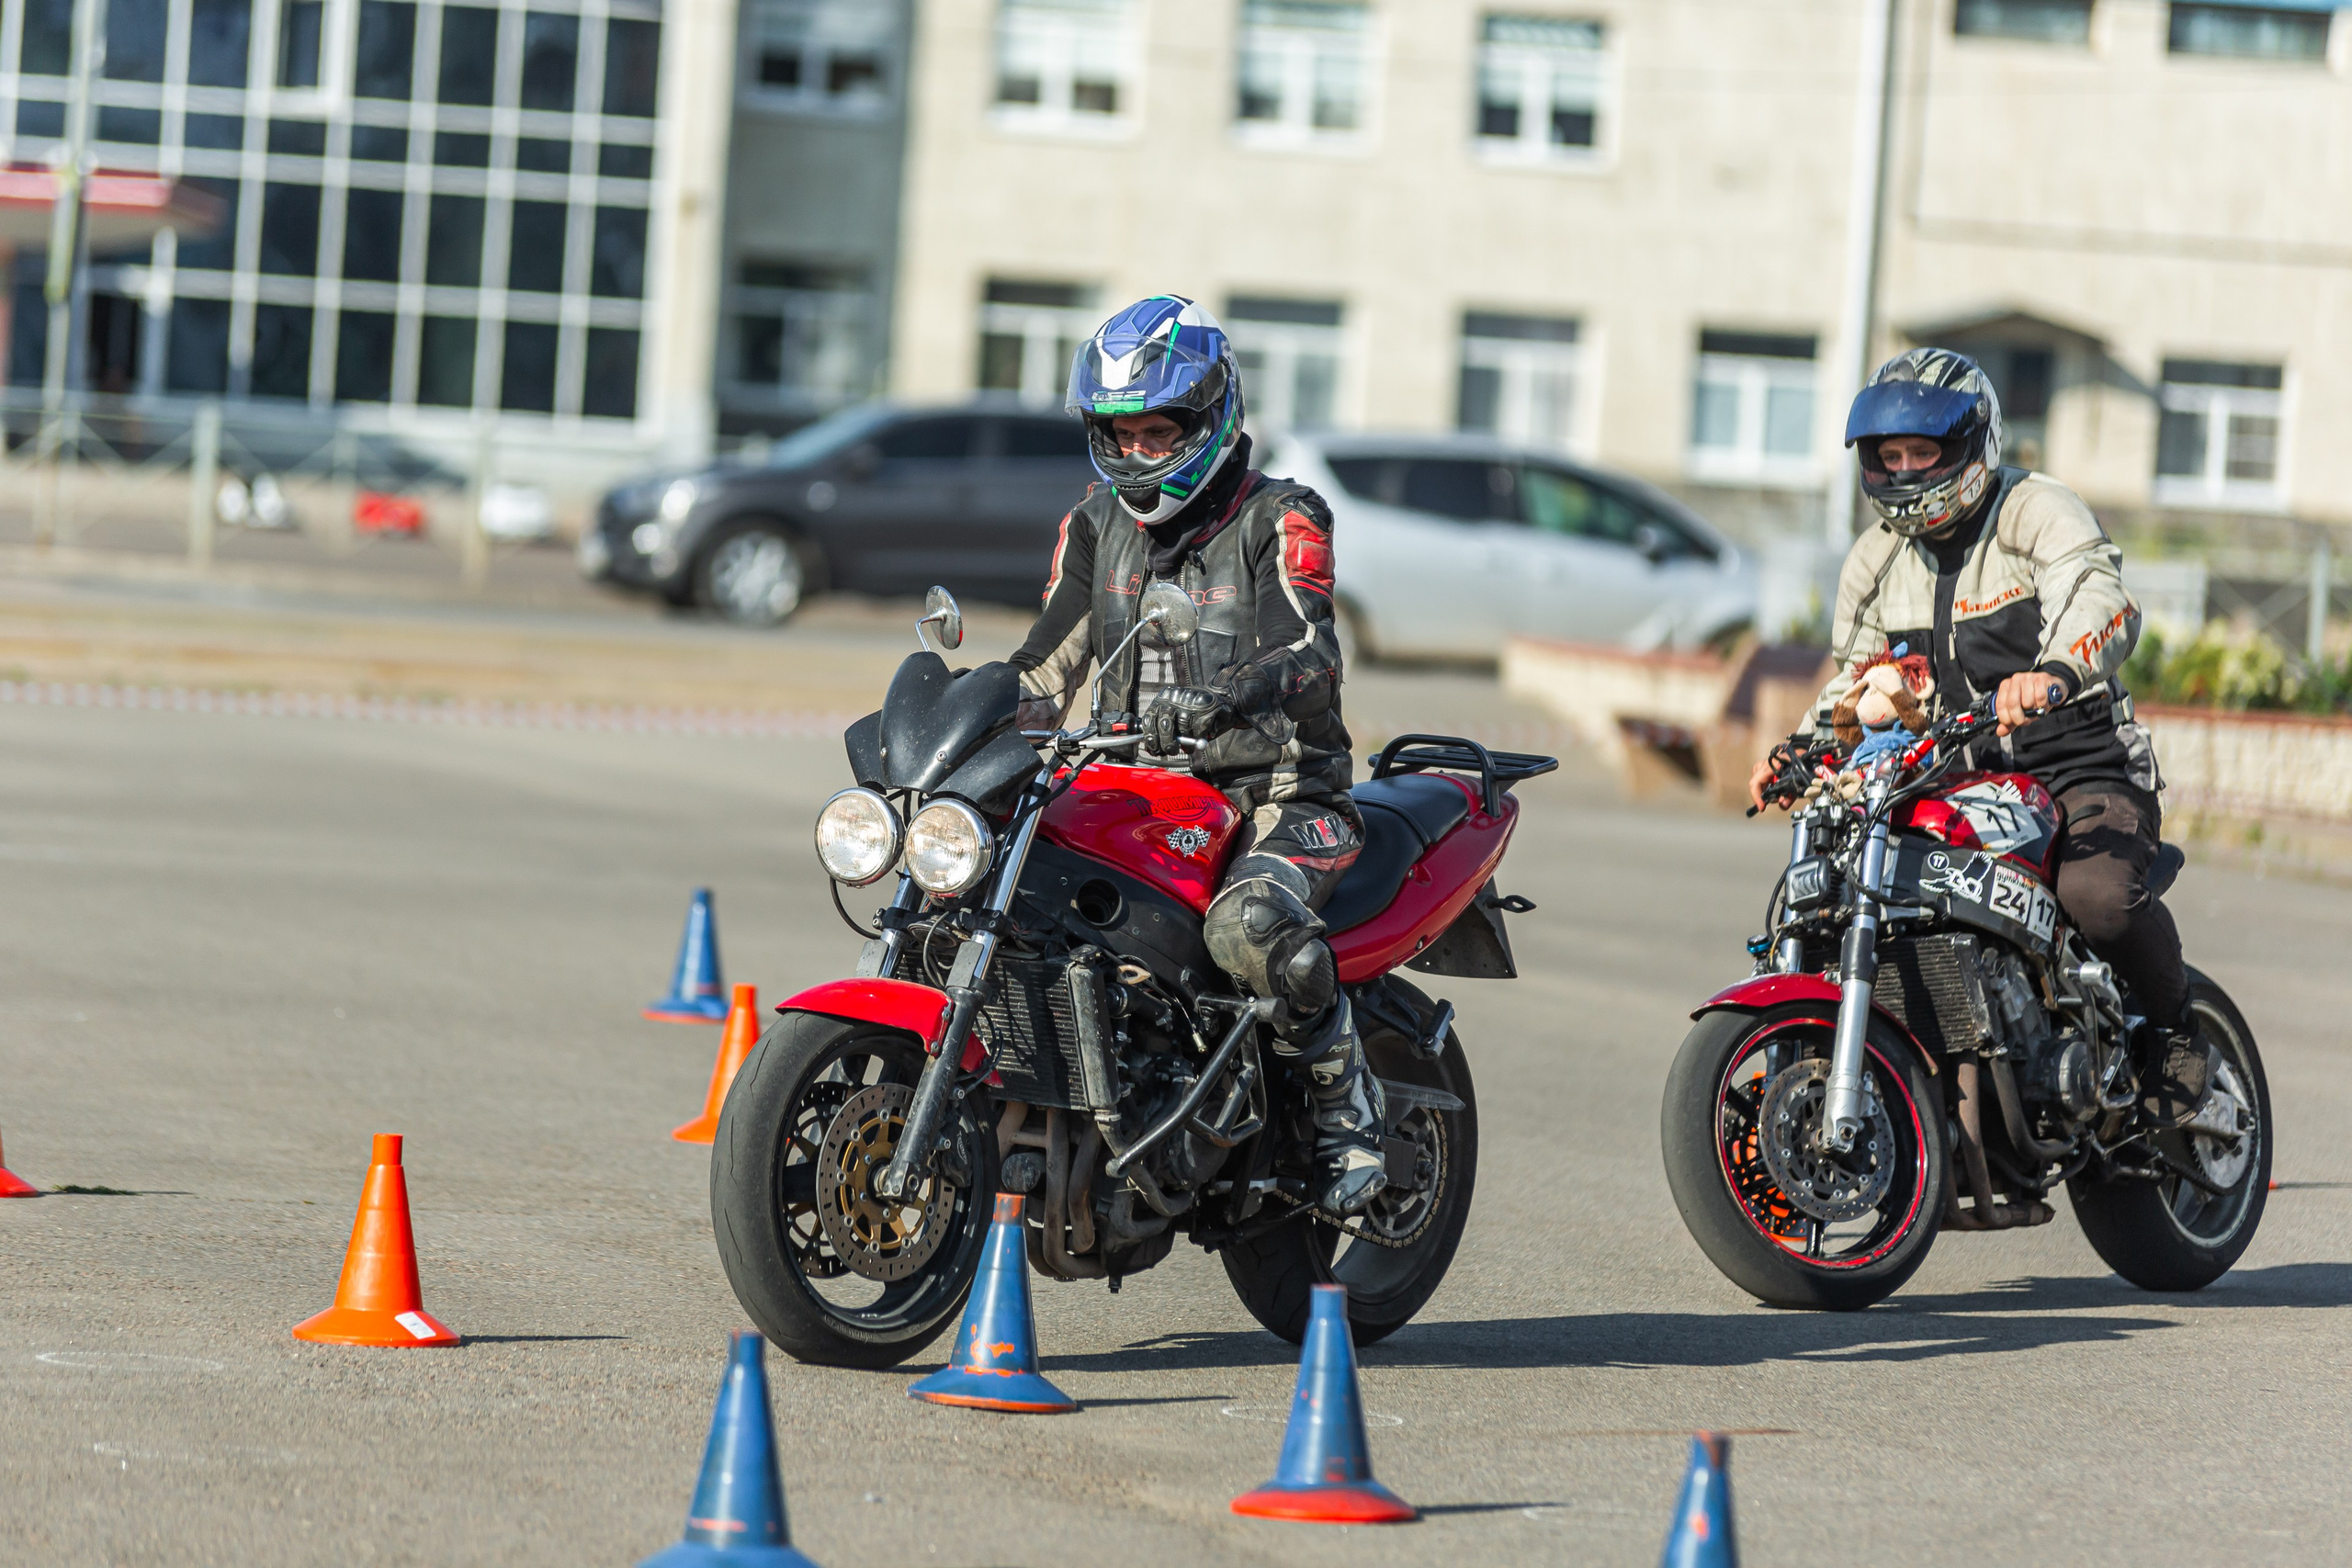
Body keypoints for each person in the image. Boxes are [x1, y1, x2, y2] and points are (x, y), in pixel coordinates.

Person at [1747, 347, 2211, 1125]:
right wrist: (1802, 751)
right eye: (1888, 456)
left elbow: (2099, 592)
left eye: (1922, 452)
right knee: (1850, 890)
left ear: (1969, 445)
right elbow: (1858, 684)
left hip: (2079, 766)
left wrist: (2056, 673)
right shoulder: (1873, 560)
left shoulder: (2034, 509)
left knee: (2095, 898)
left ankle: (2174, 1029)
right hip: (1955, 778)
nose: (1904, 471)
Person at [1007, 295, 1386, 1214]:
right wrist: (968, 712)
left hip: (1279, 790)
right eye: (1117, 433)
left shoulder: (1281, 518)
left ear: (1209, 418)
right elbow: (1046, 660)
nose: (1135, 454)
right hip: (1134, 787)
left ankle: (1348, 1108)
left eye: (1156, 432)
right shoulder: (1096, 524)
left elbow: (1309, 650)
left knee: (1247, 928)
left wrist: (1226, 698)